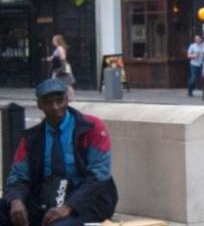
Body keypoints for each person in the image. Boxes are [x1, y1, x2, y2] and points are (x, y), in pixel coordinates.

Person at [0, 79, 118, 226]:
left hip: (88, 201)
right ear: (39, 105)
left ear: (67, 99)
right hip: (46, 198)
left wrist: (69, 207)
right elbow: (18, 176)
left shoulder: (92, 127)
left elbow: (99, 176)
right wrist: (16, 201)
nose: (55, 107)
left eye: (60, 101)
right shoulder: (32, 137)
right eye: (48, 102)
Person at [44, 35, 75, 102]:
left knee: (64, 83)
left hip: (60, 67)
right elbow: (55, 56)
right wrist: (50, 58)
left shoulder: (59, 48)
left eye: (54, 40)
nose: (52, 42)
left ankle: (69, 98)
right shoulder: (59, 48)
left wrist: (56, 60)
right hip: (60, 67)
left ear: (57, 41)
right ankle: (70, 98)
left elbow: (62, 57)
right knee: (66, 83)